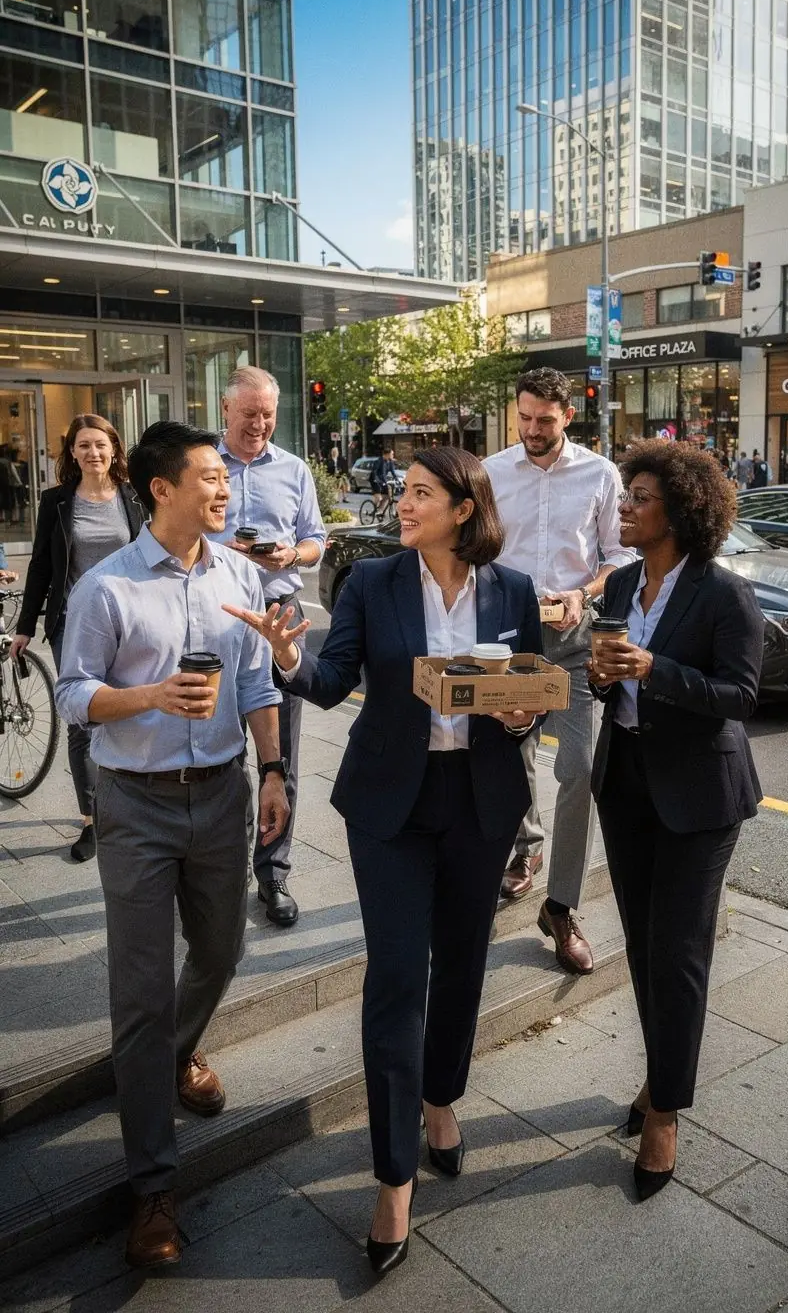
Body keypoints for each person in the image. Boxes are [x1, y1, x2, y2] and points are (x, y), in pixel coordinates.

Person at [224, 447, 546, 1277]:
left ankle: (443, 1103)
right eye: (402, 493)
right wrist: (286, 656)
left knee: (464, 966)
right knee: (400, 978)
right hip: (391, 809)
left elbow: (525, 705)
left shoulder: (509, 591)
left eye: (420, 494)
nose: (402, 505)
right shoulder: (371, 582)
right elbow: (330, 683)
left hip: (480, 804)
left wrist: (516, 715)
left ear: (464, 508)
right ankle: (395, 1174)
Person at [54, 422, 289, 1269]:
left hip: (225, 795)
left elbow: (260, 680)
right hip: (135, 806)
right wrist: (150, 694)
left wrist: (273, 770)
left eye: (226, 479)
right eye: (210, 477)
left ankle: (175, 1054)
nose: (225, 489)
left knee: (223, 952)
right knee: (142, 988)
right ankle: (153, 1187)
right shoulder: (108, 589)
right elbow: (75, 696)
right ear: (161, 488)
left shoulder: (237, 572)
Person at [587, 439, 764, 1201]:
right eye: (625, 494)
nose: (623, 506)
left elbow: (740, 697)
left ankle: (665, 1112)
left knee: (679, 955)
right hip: (626, 783)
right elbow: (612, 683)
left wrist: (656, 670)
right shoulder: (623, 583)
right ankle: (661, 1076)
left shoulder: (725, 595)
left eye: (638, 498)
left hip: (699, 800)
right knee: (641, 947)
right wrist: (605, 679)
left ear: (680, 512)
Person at [483, 367, 635, 974]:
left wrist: (584, 593)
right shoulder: (492, 473)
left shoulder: (600, 473)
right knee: (510, 760)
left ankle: (562, 905)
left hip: (574, 639)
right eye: (524, 418)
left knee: (578, 770)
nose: (532, 430)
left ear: (569, 416)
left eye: (544, 420)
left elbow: (619, 555)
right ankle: (526, 849)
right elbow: (479, 549)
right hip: (513, 639)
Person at [214, 367, 325, 927]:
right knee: (216, 744)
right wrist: (223, 547)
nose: (259, 424)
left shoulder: (295, 468)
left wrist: (293, 556)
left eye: (268, 414)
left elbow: (317, 539)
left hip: (281, 612)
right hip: (214, 614)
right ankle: (217, 869)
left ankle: (272, 871)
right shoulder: (203, 467)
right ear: (225, 408)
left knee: (281, 750)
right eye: (249, 413)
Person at [11, 416, 145, 862]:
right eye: (84, 446)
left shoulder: (134, 496)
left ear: (114, 449)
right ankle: (91, 820)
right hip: (73, 621)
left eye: (101, 445)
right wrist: (25, 626)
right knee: (82, 721)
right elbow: (41, 567)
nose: (93, 453)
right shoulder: (57, 502)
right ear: (72, 452)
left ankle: (133, 803)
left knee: (132, 708)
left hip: (129, 621)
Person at [371, 447, 398, 516]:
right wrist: (378, 481)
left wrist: (397, 480)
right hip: (375, 480)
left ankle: (380, 510)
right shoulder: (379, 461)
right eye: (392, 454)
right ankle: (374, 510)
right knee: (379, 497)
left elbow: (393, 472)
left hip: (383, 481)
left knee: (387, 496)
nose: (393, 455)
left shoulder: (390, 462)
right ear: (387, 454)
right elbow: (375, 472)